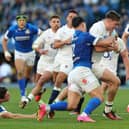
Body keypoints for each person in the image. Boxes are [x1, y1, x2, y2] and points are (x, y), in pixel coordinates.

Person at [37, 16, 117, 122]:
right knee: (99, 97)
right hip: (83, 71)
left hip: (73, 73)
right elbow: (105, 42)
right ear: (83, 25)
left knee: (71, 105)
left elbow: (96, 47)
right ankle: (84, 115)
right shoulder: (85, 35)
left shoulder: (74, 37)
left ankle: (46, 107)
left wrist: (107, 46)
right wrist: (113, 37)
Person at [90, 10, 129, 120]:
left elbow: (122, 51)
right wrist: (110, 46)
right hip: (88, 63)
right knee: (76, 90)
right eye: (115, 24)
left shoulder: (112, 33)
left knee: (114, 82)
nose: (116, 27)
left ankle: (106, 111)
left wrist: (114, 47)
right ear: (109, 20)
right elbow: (95, 47)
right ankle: (52, 105)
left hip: (97, 65)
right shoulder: (97, 27)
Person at [19, 15, 61, 108]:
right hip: (42, 62)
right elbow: (34, 45)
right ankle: (41, 91)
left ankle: (27, 99)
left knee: (41, 81)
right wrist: (39, 50)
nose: (56, 24)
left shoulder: (62, 33)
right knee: (37, 84)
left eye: (58, 22)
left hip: (54, 63)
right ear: (50, 23)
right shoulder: (46, 33)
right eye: (54, 22)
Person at [2, 14, 42, 105]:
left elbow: (42, 34)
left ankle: (24, 88)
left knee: (27, 75)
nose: (21, 22)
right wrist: (6, 52)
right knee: (20, 72)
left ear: (26, 21)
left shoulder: (31, 27)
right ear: (17, 22)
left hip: (30, 53)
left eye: (23, 20)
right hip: (19, 53)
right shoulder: (12, 29)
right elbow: (4, 40)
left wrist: (37, 43)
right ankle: (23, 95)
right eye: (20, 21)